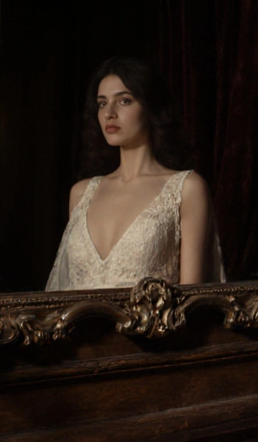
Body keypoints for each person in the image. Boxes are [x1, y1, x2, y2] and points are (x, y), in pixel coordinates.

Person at [46, 56, 224, 290]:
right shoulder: (81, 193)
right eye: (102, 103)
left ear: (151, 108)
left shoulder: (186, 188)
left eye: (124, 101)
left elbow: (190, 301)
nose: (109, 113)